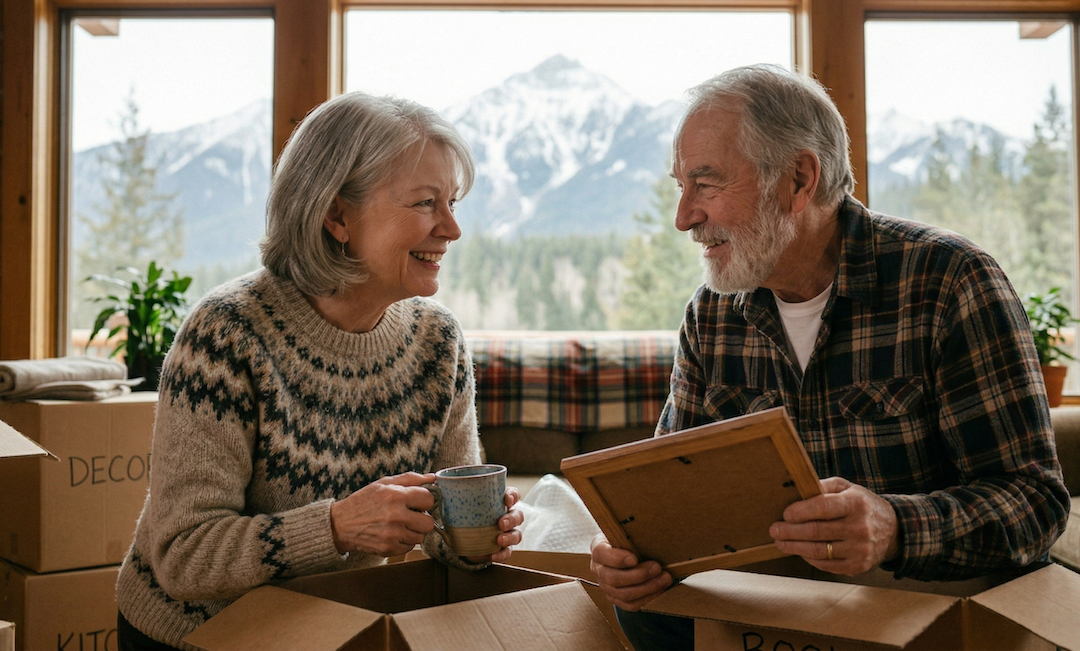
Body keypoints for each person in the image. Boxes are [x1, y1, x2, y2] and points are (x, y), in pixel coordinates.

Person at [589, 64, 1071, 651]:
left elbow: (1034, 504)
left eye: (707, 184)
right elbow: (670, 504)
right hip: (785, 615)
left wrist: (895, 527)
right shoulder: (711, 317)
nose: (684, 216)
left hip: (920, 606)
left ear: (798, 179)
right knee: (643, 612)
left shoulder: (949, 281)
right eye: (680, 186)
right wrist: (634, 553)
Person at [114, 92, 524, 650]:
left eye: (452, 203)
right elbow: (183, 558)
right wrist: (335, 527)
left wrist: (478, 537)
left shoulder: (438, 340)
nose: (451, 228)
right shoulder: (226, 334)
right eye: (426, 203)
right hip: (196, 633)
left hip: (328, 628)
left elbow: (447, 526)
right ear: (336, 215)